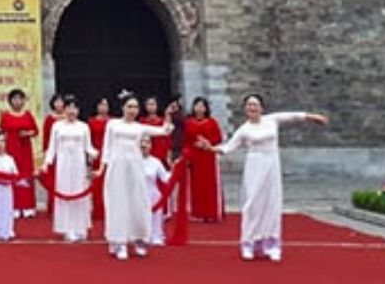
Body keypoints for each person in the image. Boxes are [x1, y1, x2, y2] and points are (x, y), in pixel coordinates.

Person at [199, 95, 328, 261]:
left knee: (272, 203)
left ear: (261, 108)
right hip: (254, 166)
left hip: (272, 165)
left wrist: (314, 117)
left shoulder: (272, 120)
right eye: (249, 105)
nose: (252, 107)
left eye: (255, 104)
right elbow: (228, 147)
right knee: (252, 203)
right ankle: (248, 243)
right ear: (245, 109)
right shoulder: (244, 129)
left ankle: (271, 244)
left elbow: (293, 116)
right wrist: (210, 148)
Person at [102, 93, 173, 260]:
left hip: (135, 167)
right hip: (117, 168)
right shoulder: (112, 124)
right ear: (122, 107)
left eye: (135, 107)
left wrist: (168, 115)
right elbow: (107, 148)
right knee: (118, 204)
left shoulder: (140, 127)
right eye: (129, 106)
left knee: (137, 203)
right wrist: (101, 168)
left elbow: (164, 131)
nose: (132, 110)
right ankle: (119, 241)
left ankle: (139, 239)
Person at [41, 95, 98, 242]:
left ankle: (80, 227)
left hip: (79, 164)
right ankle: (66, 228)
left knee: (79, 193)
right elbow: (52, 148)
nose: (72, 111)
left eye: (74, 108)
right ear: (64, 109)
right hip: (63, 164)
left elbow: (88, 147)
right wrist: (46, 163)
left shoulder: (84, 127)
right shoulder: (57, 126)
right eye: (69, 108)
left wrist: (96, 154)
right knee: (65, 193)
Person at [0, 88, 39, 217]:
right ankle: (14, 206)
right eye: (14, 99)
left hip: (25, 149)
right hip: (11, 149)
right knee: (13, 176)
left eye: (20, 99)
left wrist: (27, 133)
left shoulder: (28, 115)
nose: (17, 101)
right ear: (10, 101)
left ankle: (28, 207)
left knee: (26, 176)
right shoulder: (5, 116)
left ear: (23, 101)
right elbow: (1, 133)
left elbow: (35, 131)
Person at [184, 97, 224, 222]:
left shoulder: (212, 122)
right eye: (197, 105)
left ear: (206, 108)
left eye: (202, 106)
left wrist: (207, 143)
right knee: (196, 186)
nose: (199, 108)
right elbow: (186, 140)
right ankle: (198, 213)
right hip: (195, 157)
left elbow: (218, 138)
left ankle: (211, 213)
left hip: (208, 157)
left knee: (210, 185)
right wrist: (187, 154)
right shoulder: (188, 122)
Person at [140, 135, 170, 246]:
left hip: (153, 195)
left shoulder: (156, 162)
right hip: (137, 195)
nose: (144, 145)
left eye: (147, 142)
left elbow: (166, 178)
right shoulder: (132, 161)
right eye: (142, 142)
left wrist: (177, 169)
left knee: (155, 216)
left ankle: (156, 235)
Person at [86, 96, 111, 221]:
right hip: (96, 154)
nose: (103, 107)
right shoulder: (91, 122)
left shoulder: (113, 122)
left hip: (110, 155)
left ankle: (110, 210)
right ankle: (98, 211)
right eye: (101, 105)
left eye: (105, 105)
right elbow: (88, 140)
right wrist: (89, 156)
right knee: (97, 184)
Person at [41, 93, 65, 215]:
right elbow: (46, 137)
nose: (59, 104)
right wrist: (46, 153)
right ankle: (52, 207)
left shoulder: (68, 118)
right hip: (53, 154)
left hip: (66, 153)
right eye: (57, 102)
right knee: (53, 180)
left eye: (61, 102)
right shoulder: (49, 119)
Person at [140, 96, 171, 166]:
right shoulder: (142, 121)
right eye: (148, 104)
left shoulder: (162, 121)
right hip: (147, 149)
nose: (151, 107)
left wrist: (168, 154)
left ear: (157, 105)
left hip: (160, 149)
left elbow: (167, 138)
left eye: (153, 104)